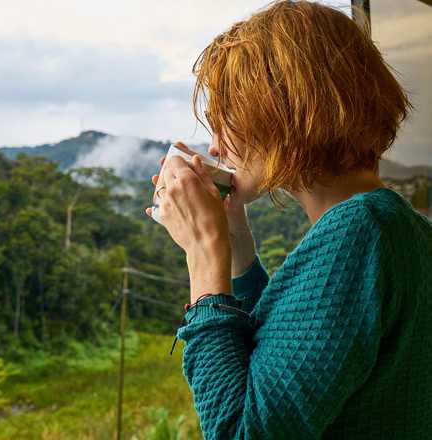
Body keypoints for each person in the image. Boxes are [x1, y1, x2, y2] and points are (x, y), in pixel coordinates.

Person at [144, 1, 432, 438]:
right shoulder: (393, 225)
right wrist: (236, 244)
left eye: (227, 121)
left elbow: (242, 429)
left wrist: (204, 254)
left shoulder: (361, 232)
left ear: (281, 111)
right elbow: (288, 353)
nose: (218, 146)